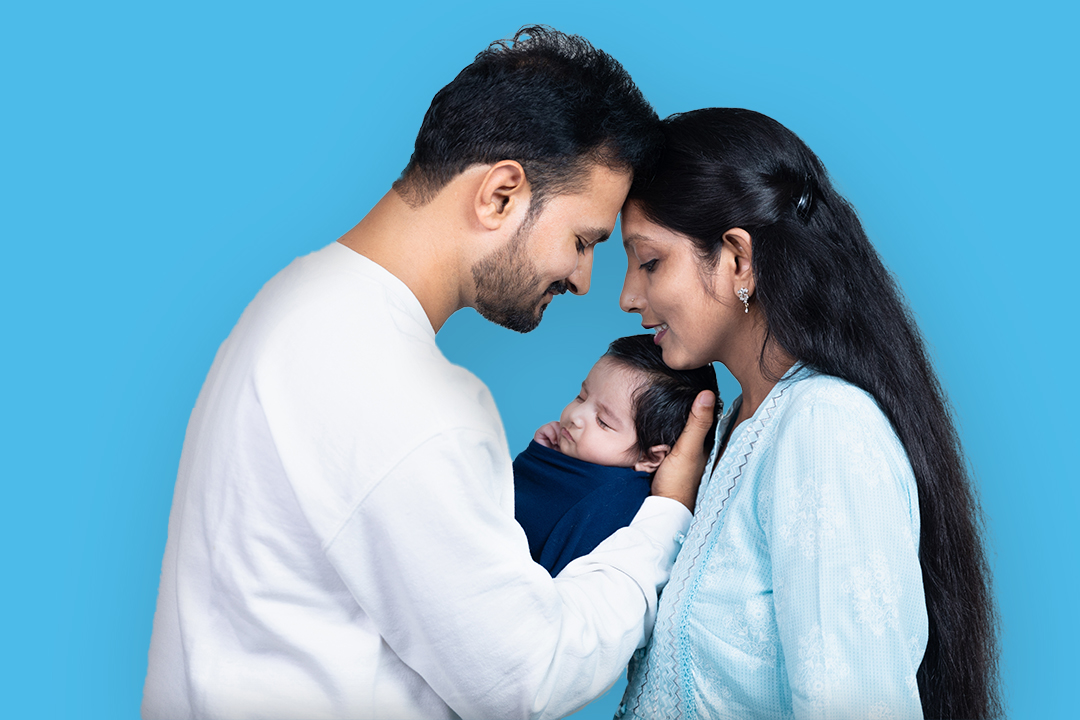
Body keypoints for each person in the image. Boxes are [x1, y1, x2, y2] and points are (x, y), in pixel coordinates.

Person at [140, 27, 716, 720]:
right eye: (582, 240)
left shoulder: (290, 304)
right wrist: (665, 518)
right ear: (500, 195)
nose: (584, 279)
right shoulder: (405, 396)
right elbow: (526, 677)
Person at [615, 108, 1002, 719]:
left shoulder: (824, 428)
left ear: (738, 259)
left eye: (649, 262)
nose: (628, 297)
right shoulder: (735, 428)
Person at [515, 334, 719, 575]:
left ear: (650, 458)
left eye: (603, 421)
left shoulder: (615, 502)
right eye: (581, 397)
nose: (575, 416)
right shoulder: (577, 460)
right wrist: (541, 459)